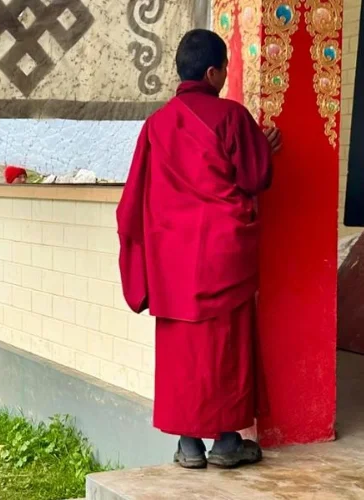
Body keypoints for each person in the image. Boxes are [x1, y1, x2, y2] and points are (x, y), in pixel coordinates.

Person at [116, 28, 282, 470]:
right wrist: (264, 149)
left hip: (172, 260)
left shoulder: (156, 126)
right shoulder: (230, 116)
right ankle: (227, 442)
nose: (227, 77)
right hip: (220, 255)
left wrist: (142, 258)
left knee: (182, 352)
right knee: (223, 348)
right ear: (212, 72)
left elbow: (131, 202)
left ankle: (189, 446)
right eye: (225, 69)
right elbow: (253, 176)